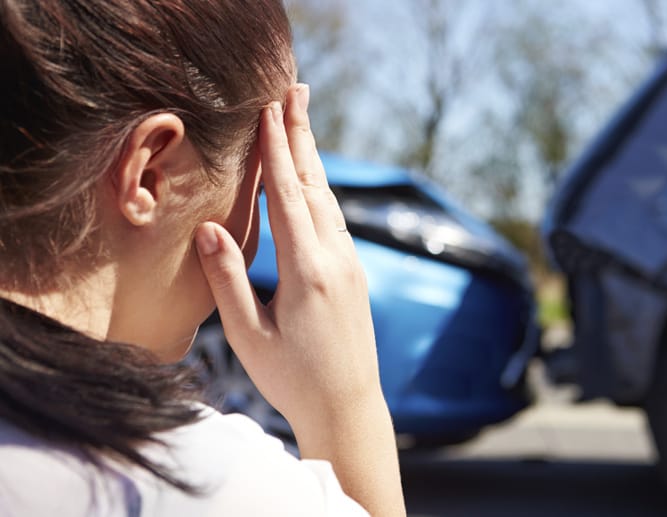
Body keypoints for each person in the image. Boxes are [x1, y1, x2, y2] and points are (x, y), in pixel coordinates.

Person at [0, 1, 405, 516]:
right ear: (151, 175)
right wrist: (347, 407)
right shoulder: (197, 483)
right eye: (259, 191)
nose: (255, 239)